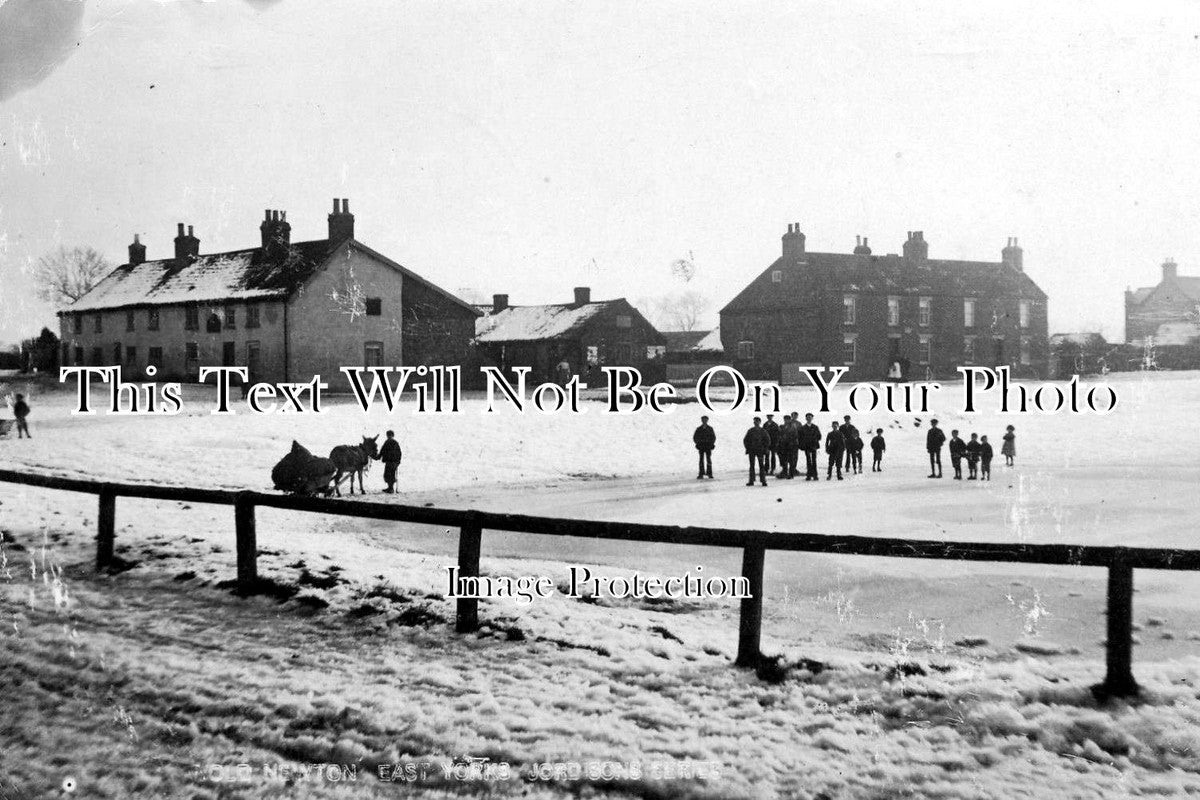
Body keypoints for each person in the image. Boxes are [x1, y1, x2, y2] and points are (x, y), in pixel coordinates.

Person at [743, 417, 771, 487]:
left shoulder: (763, 431)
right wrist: (748, 448)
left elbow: (767, 440)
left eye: (757, 422)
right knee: (752, 466)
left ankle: (763, 481)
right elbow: (746, 440)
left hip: (760, 451)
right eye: (755, 422)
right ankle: (751, 480)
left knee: (761, 466)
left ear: (760, 422)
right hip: (752, 450)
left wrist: (765, 448)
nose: (756, 423)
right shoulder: (750, 431)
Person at [799, 412, 821, 481]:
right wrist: (803, 444)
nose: (809, 419)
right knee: (808, 460)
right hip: (806, 446)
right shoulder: (803, 427)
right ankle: (809, 475)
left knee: (814, 460)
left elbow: (819, 436)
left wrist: (814, 440)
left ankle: (815, 475)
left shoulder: (815, 427)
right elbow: (800, 437)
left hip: (813, 446)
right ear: (806, 418)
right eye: (808, 417)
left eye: (810, 417)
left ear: (812, 418)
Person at [777, 412, 799, 479]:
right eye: (785, 419)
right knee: (784, 460)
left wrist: (792, 444)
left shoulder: (792, 428)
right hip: (783, 446)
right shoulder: (782, 427)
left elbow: (795, 436)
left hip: (791, 446)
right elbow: (779, 435)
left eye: (787, 419)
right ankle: (784, 472)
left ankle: (791, 474)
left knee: (791, 460)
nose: (786, 421)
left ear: (790, 420)